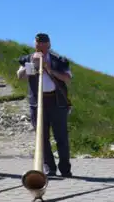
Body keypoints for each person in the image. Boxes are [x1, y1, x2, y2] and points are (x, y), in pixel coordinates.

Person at [17, 33, 73, 178]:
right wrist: (32, 65)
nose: (40, 47)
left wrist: (49, 68)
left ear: (48, 45)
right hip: (37, 102)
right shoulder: (28, 59)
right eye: (37, 44)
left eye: (43, 44)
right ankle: (50, 168)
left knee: (61, 137)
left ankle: (65, 169)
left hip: (56, 102)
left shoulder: (59, 60)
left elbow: (67, 78)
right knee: (42, 137)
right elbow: (20, 76)